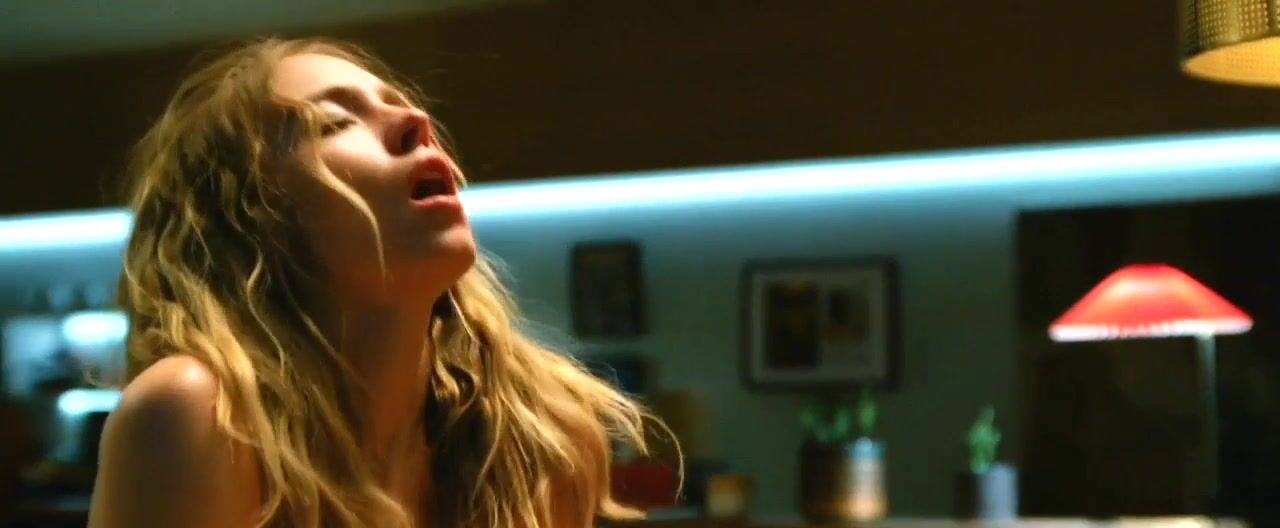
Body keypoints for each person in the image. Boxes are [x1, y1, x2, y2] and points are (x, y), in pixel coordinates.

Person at [88, 37, 665, 528]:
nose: (418, 123)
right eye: (334, 122)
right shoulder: (201, 415)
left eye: (401, 105)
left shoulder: (542, 441)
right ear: (252, 217)